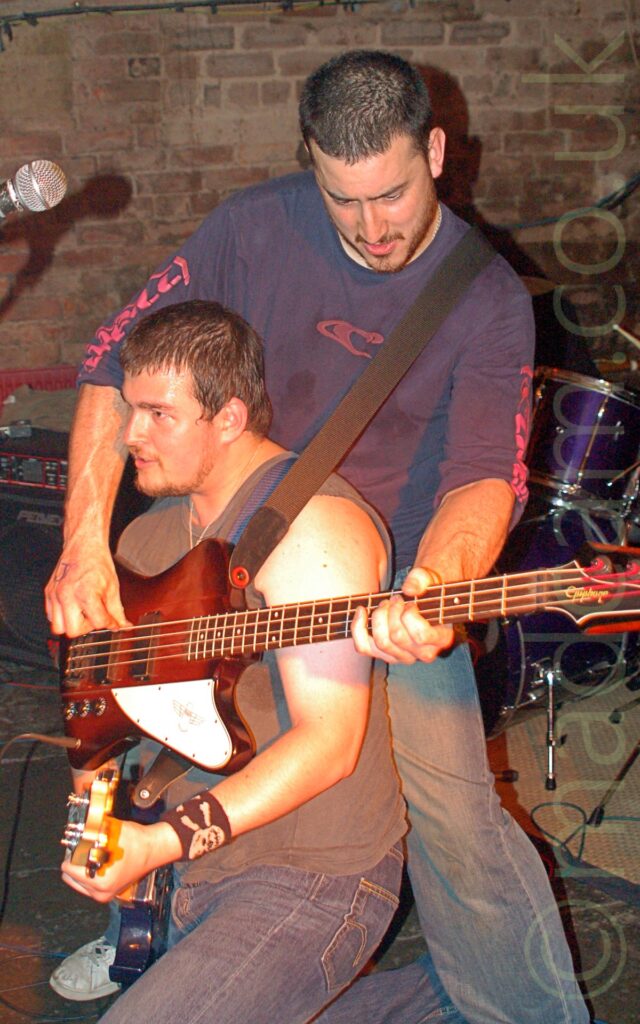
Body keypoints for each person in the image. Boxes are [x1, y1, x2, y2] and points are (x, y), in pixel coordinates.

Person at [47, 51, 589, 1023]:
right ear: (310, 165)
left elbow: (483, 474)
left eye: (391, 194)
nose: (373, 228)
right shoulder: (252, 225)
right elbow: (108, 358)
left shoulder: (486, 295)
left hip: (380, 588)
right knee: (157, 735)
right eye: (344, 201)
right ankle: (151, 921)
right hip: (234, 542)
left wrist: (440, 579)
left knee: (456, 817)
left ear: (434, 151)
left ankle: (527, 1009)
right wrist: (85, 539)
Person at [56, 299, 407, 1023]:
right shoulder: (150, 544)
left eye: (158, 415)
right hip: (193, 871)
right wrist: (93, 803)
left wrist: (157, 843)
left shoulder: (313, 529)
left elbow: (329, 745)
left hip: (313, 878)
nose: (130, 436)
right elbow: (99, 703)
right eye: (129, 410)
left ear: (230, 419)